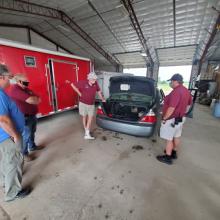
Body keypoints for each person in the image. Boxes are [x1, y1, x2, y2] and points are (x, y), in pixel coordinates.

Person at [0, 64, 31, 201]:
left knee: (7, 161)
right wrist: (16, 135)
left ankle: (5, 183)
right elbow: (3, 120)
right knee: (14, 163)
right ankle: (13, 193)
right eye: (9, 77)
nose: (10, 80)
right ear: (1, 77)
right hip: (8, 137)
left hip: (4, 137)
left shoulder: (2, 93)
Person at [157, 73, 192, 165]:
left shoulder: (176, 92)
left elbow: (171, 108)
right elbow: (189, 105)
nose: (170, 83)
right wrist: (182, 112)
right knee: (176, 136)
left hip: (172, 119)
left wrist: (164, 118)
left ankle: (168, 157)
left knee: (169, 139)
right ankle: (174, 152)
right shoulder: (186, 91)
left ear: (176, 81)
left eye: (171, 81)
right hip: (181, 118)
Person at [9, 74, 41, 161]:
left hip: (32, 115)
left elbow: (38, 97)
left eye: (28, 81)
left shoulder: (26, 89)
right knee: (26, 136)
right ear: (19, 81)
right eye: (25, 82)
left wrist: (34, 99)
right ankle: (24, 154)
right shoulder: (15, 90)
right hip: (24, 118)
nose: (27, 83)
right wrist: (33, 99)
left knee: (32, 132)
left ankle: (32, 146)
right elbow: (31, 100)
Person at [70, 72, 105, 139]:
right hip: (83, 103)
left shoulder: (95, 83)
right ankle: (86, 130)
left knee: (90, 117)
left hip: (91, 104)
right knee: (84, 117)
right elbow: (72, 85)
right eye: (93, 80)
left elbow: (99, 91)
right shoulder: (83, 83)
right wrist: (79, 93)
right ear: (89, 79)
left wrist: (102, 98)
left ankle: (87, 133)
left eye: (95, 79)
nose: (94, 81)